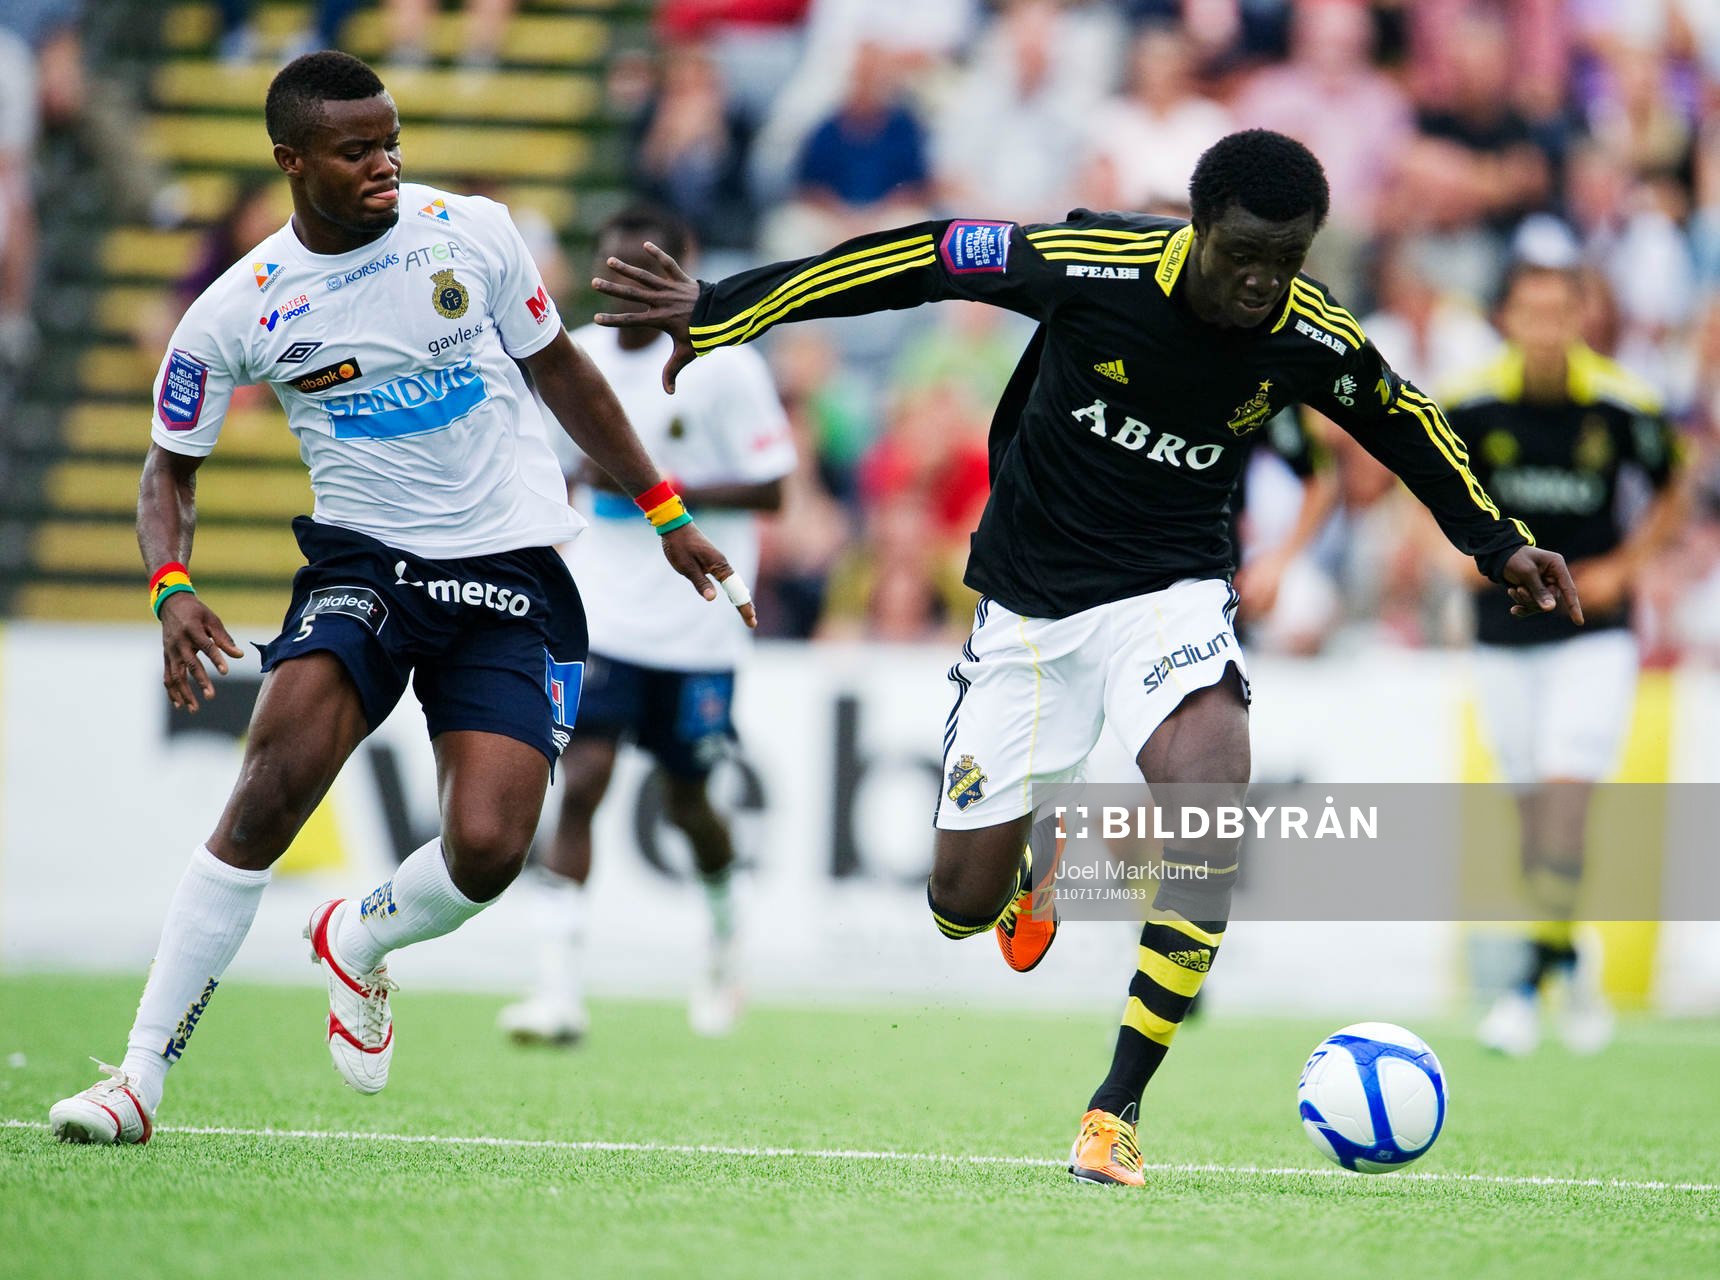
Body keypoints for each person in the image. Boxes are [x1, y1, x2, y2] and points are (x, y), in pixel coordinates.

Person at [590, 128, 1581, 1187]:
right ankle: (1028, 868)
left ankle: (1114, 1108)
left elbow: (1404, 419)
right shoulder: (1088, 262)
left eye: (1284, 263)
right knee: (958, 905)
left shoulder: (1308, 333)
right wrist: (734, 305)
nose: (1260, 284)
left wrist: (1498, 541)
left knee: (1208, 813)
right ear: (1197, 226)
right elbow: (918, 255)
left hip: (1171, 594)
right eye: (1242, 255)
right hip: (1026, 610)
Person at [47, 51, 747, 1146]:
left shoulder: (471, 232)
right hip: (363, 567)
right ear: (291, 162)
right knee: (269, 790)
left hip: (512, 569)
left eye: (392, 141)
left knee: (487, 850)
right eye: (356, 149)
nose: (385, 164)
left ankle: (357, 938)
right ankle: (136, 1076)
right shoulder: (236, 310)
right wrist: (169, 584)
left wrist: (665, 514)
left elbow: (561, 369)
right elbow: (167, 467)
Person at [499, 206, 793, 1043]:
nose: (626, 287)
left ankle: (724, 940)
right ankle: (556, 990)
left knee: (689, 801)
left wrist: (654, 486)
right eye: (614, 270)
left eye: (647, 270)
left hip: (698, 627)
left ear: (682, 272)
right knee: (582, 783)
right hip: (601, 620)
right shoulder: (571, 363)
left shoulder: (727, 367)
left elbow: (773, 488)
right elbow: (541, 478)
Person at [1448, 257, 1683, 1057]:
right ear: (1506, 318)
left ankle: (1522, 987)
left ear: (1582, 315)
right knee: (1529, 819)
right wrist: (1446, 549)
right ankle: (1568, 953)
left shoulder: (1623, 402)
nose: (1546, 326)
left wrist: (1629, 565)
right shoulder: (1470, 401)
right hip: (1503, 630)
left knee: (1563, 798)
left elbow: (1674, 482)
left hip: (1592, 635)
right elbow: (1422, 481)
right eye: (1531, 311)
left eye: (1561, 310)